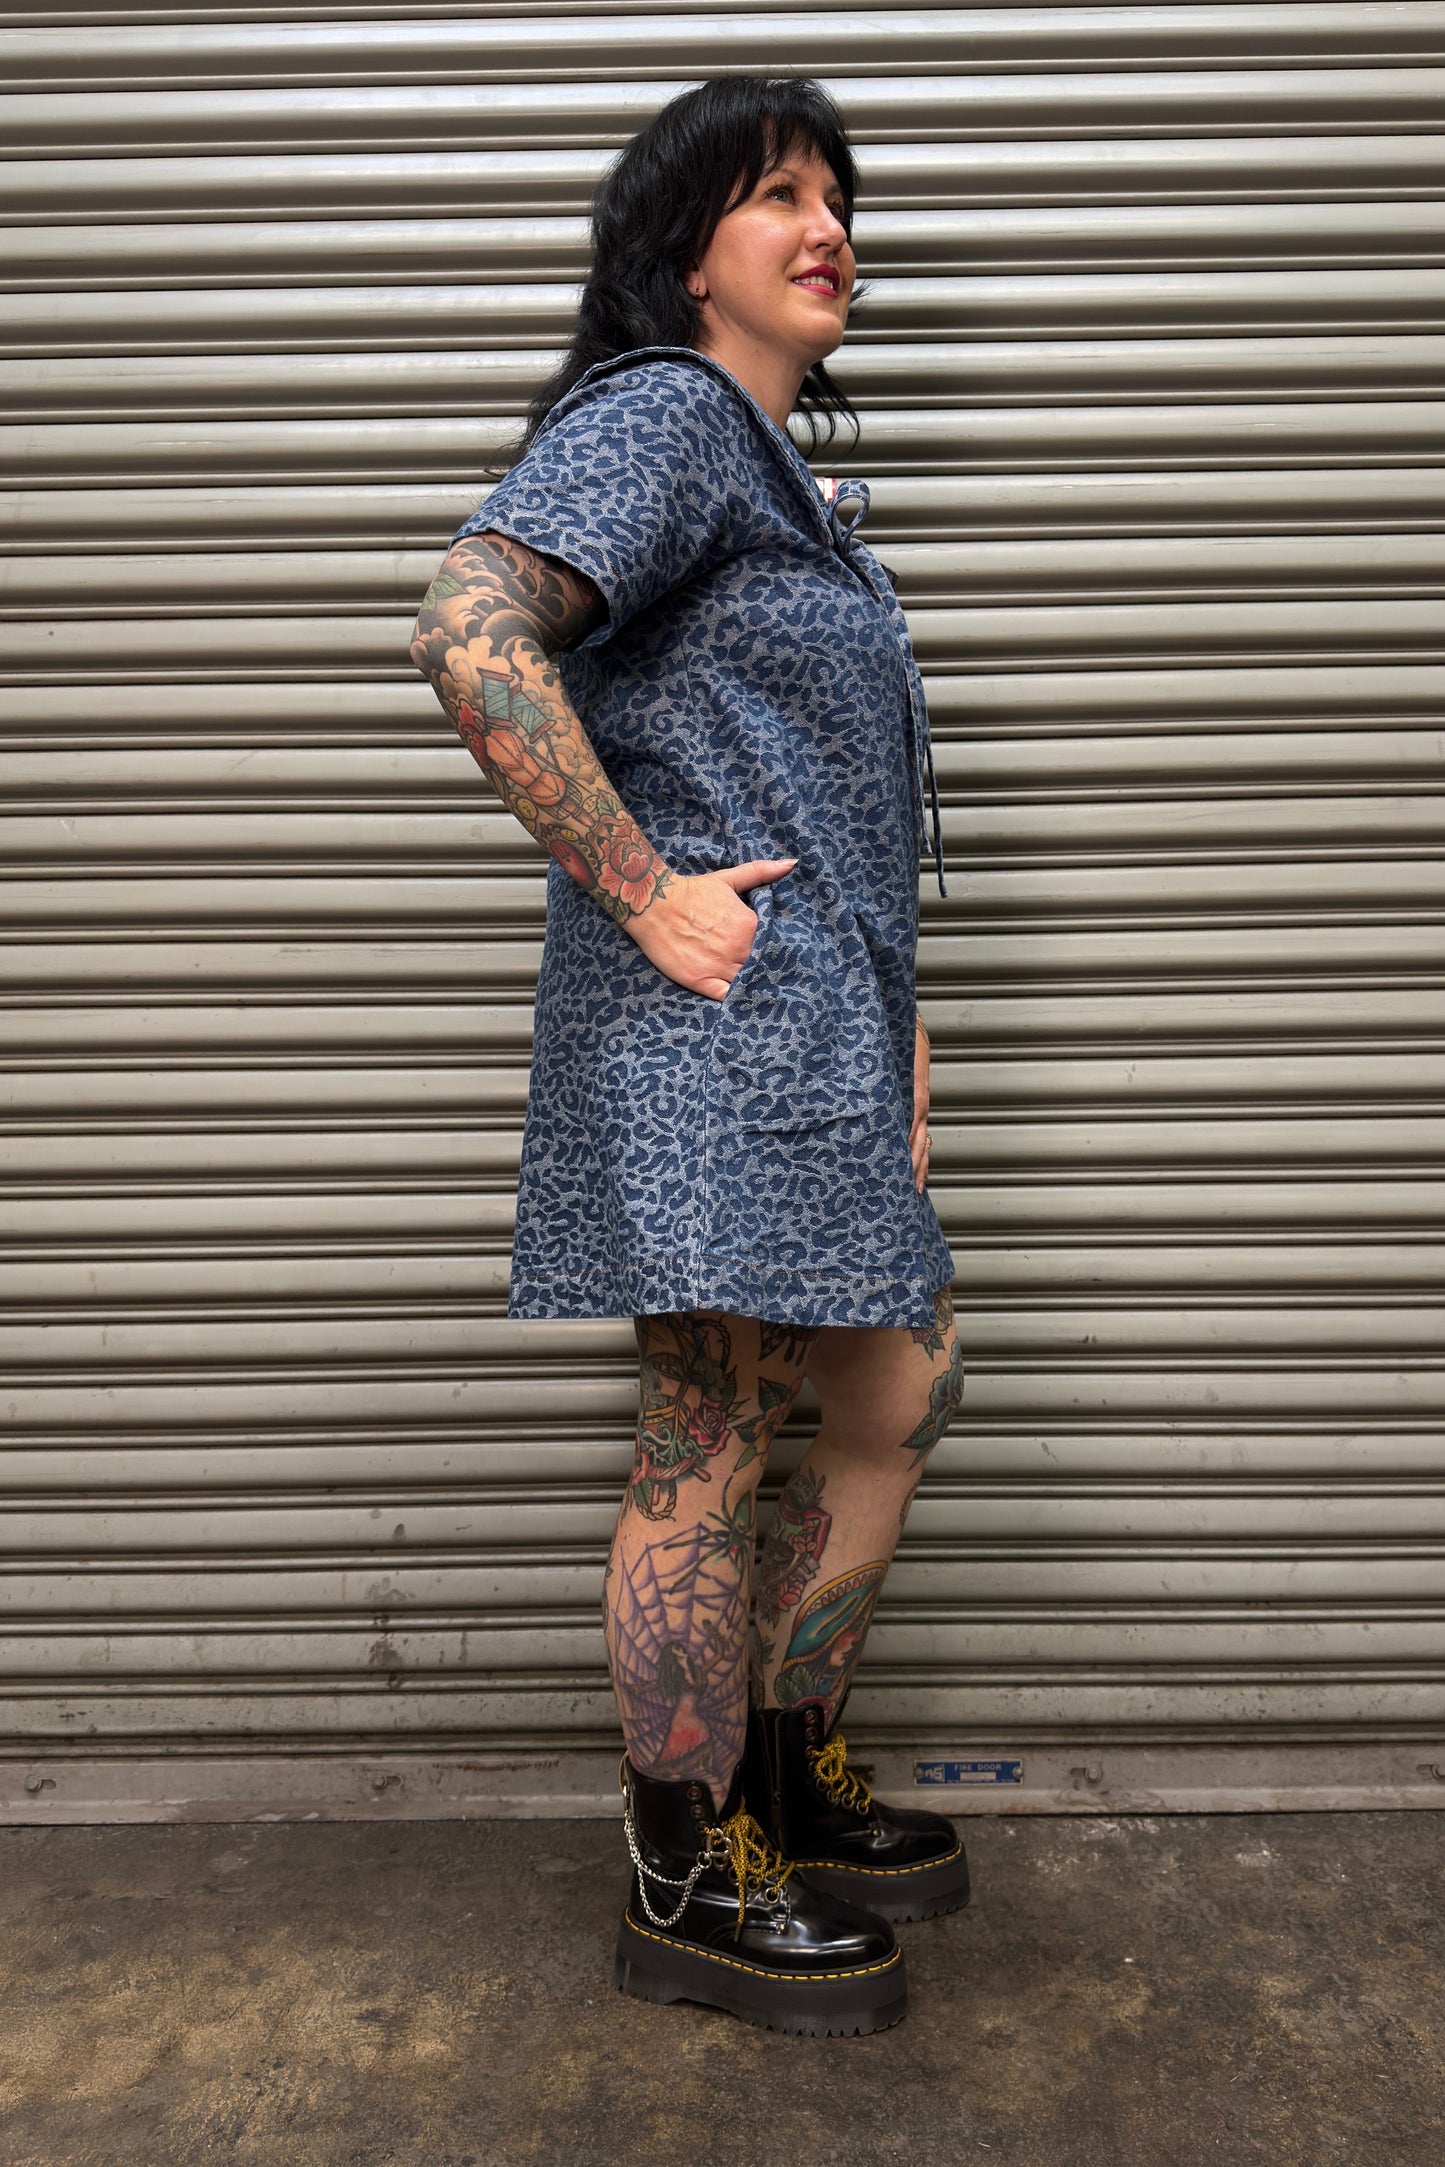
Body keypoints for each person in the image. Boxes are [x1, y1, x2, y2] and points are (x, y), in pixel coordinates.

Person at [411, 74, 968, 2039]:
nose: (828, 224)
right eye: (778, 196)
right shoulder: (665, 415)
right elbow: (475, 623)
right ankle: (691, 1865)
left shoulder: (792, 476)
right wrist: (645, 887)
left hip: (824, 1047)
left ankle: (787, 1774)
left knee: (896, 1382)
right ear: (682, 255)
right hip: (715, 1042)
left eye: (840, 195)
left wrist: (896, 1048)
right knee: (713, 1430)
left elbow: (845, 803)